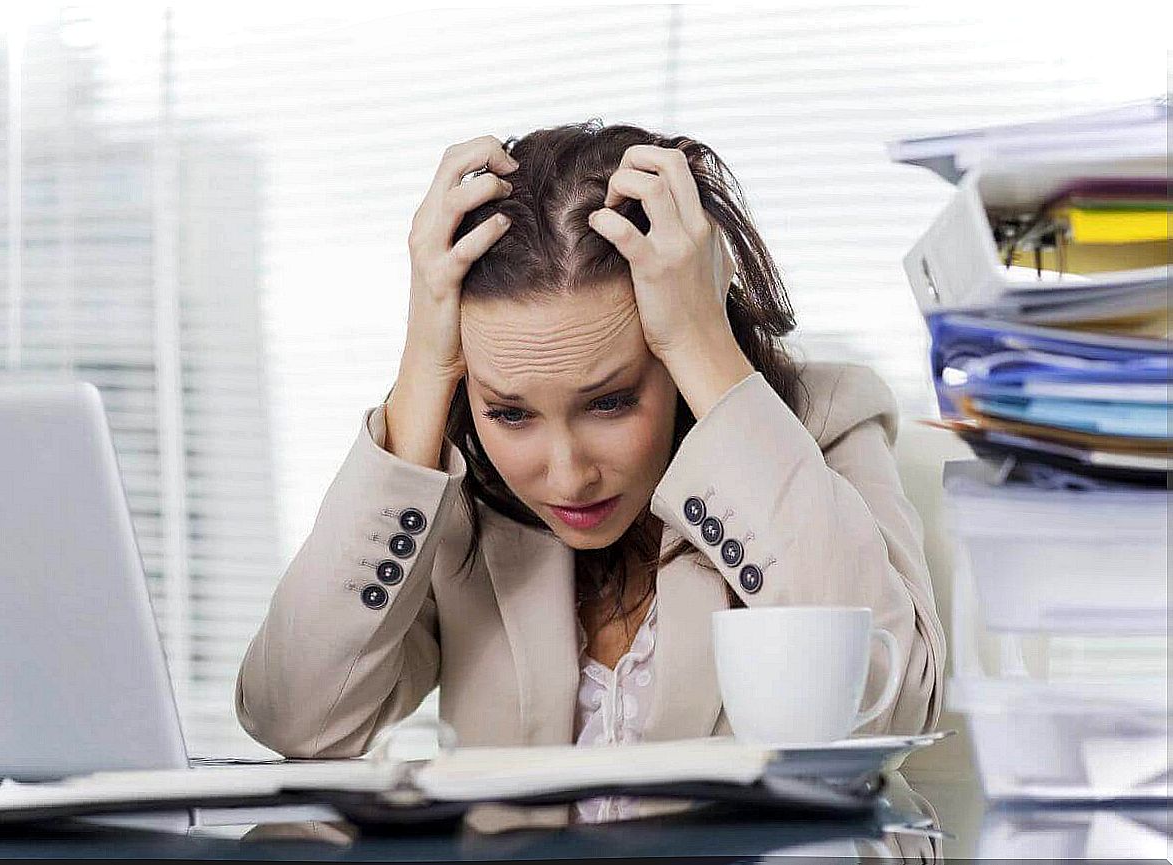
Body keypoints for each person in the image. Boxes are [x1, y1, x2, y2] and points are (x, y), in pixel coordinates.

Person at [235, 122, 946, 824]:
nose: (568, 476)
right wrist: (424, 365)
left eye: (610, 401)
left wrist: (705, 342)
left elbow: (887, 704)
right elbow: (297, 717)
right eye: (510, 413)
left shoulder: (825, 426)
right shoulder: (457, 489)